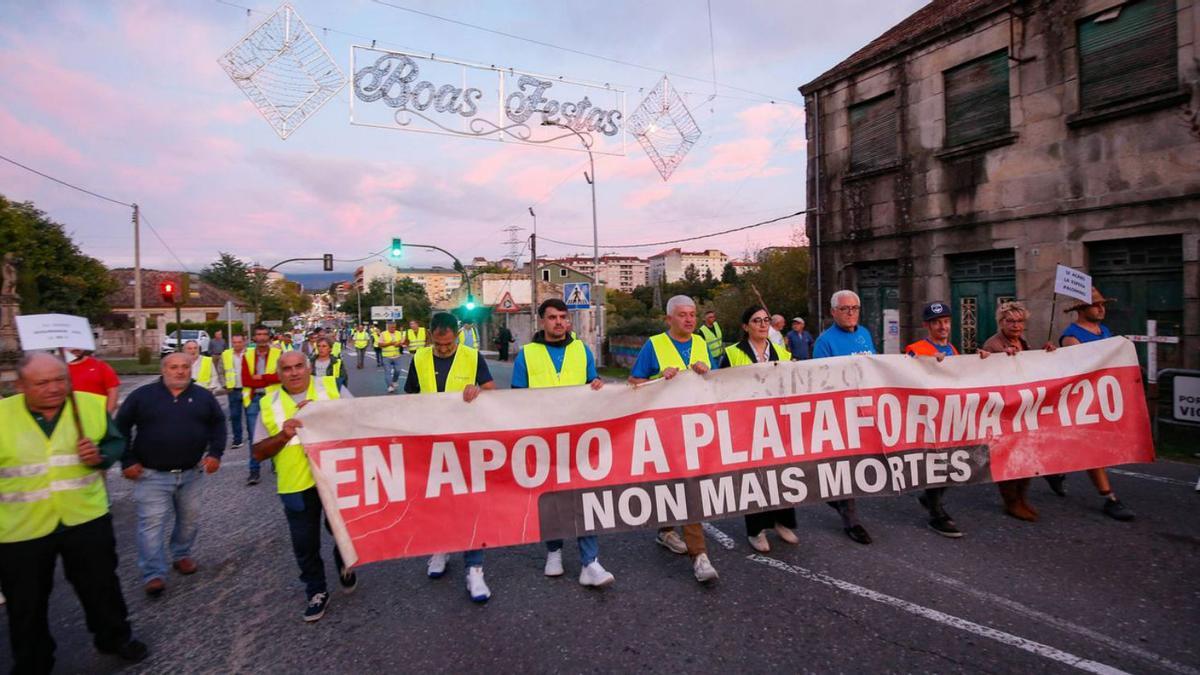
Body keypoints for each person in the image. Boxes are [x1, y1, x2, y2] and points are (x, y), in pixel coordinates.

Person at [0, 353, 148, 670]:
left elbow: (115, 442)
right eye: (42, 383)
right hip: (21, 528)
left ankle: (115, 637)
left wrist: (99, 455)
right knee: (25, 602)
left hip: (86, 517)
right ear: (20, 385)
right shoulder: (2, 415)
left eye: (60, 380)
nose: (54, 388)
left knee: (101, 586)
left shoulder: (89, 406)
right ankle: (33, 661)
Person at [511, 299, 614, 587]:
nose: (559, 322)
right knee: (552, 498)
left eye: (563, 317)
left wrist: (597, 385)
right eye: (552, 317)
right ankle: (554, 551)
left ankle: (590, 562)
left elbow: (593, 382)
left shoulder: (582, 349)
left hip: (578, 435)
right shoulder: (527, 354)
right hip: (543, 438)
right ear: (541, 321)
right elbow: (517, 397)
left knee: (585, 497)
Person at [252, 352, 357, 622]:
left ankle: (344, 561)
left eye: (299, 366)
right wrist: (283, 435)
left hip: (337, 478)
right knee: (305, 544)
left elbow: (359, 421)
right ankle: (316, 591)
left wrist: (326, 414)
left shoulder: (332, 387)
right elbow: (259, 452)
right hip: (295, 484)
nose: (294, 372)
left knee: (343, 530)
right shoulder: (268, 402)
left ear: (309, 368)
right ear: (279, 373)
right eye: (287, 369)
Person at [404, 312, 497, 602]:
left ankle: (475, 569)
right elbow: (408, 397)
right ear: (430, 336)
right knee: (436, 501)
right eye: (439, 343)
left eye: (449, 343)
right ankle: (439, 549)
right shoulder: (419, 359)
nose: (444, 349)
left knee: (470, 503)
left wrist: (478, 389)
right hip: (431, 442)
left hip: (466, 442)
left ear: (456, 335)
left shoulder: (472, 356)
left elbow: (492, 391)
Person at [116, 353, 225, 596]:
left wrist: (215, 453)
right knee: (151, 524)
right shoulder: (142, 396)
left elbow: (218, 424)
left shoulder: (202, 396)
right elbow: (121, 427)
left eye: (185, 367)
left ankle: (181, 554)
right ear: (163, 369)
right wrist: (127, 459)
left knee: (189, 520)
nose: (180, 371)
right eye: (174, 367)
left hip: (191, 474)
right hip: (151, 475)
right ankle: (154, 573)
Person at [628, 295, 719, 583]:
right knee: (672, 483)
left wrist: (708, 373)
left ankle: (698, 553)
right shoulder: (654, 345)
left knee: (689, 484)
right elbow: (634, 383)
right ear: (669, 319)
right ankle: (673, 535)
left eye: (693, 314)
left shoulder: (702, 344)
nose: (690, 319)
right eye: (682, 315)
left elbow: (717, 381)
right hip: (664, 427)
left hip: (695, 428)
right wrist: (658, 378)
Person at [1049, 287, 1134, 521]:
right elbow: (1085, 368)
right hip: (1082, 400)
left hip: (1103, 397)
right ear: (1081, 309)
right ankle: (1109, 497)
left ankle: (1054, 470)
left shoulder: (1104, 330)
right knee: (1092, 447)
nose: (1101, 308)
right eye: (1096, 305)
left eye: (1102, 305)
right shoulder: (1071, 336)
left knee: (1071, 442)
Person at [720, 306, 800, 552]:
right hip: (746, 423)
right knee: (754, 476)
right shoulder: (732, 353)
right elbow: (719, 385)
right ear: (746, 327)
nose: (763, 325)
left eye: (766, 320)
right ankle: (756, 529)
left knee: (781, 472)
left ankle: (781, 521)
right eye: (757, 321)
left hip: (777, 421)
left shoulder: (782, 353)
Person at [979, 301, 1057, 522]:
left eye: (1019, 321)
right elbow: (984, 374)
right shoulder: (993, 344)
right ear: (1001, 322)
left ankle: (1022, 498)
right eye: (1010, 321)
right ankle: (1011, 502)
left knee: (1026, 456)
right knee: (1008, 457)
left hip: (1023, 409)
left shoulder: (1023, 342)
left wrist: (1045, 353)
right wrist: (999, 359)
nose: (1015, 325)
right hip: (1003, 411)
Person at [812, 290, 875, 545]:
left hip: (864, 409)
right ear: (833, 312)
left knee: (860, 463)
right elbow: (819, 381)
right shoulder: (824, 342)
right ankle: (852, 521)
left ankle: (833, 496)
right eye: (845, 309)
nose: (851, 313)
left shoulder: (865, 334)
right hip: (840, 413)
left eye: (855, 308)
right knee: (847, 466)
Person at [904, 301, 964, 537]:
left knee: (954, 462)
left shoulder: (953, 350)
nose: (942, 326)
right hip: (928, 416)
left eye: (946, 321)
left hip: (949, 415)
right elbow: (907, 372)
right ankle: (936, 513)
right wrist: (928, 363)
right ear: (926, 325)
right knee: (936, 464)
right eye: (937, 322)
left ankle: (930, 498)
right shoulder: (916, 348)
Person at [241, 325, 282, 486]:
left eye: (265, 334)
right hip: (254, 399)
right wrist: (269, 378)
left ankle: (276, 463)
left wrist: (261, 377)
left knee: (275, 433)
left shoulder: (278, 354)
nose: (262, 337)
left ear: (269, 336)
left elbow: (281, 376)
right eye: (259, 334)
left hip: (273, 399)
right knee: (254, 437)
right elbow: (246, 380)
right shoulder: (248, 355)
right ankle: (254, 470)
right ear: (254, 337)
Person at [221, 333, 251, 449]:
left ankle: (252, 436)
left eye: (239, 342)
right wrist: (225, 385)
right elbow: (221, 370)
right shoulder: (226, 354)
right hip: (233, 389)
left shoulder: (250, 353)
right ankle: (237, 440)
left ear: (244, 342)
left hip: (248, 389)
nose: (237, 345)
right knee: (235, 416)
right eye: (234, 342)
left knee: (250, 415)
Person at [67, 349, 121, 413]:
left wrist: (107, 416)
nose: (75, 348)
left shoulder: (100, 366)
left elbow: (113, 392)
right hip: (66, 419)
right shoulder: (58, 369)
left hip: (97, 417)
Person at [378, 321, 404, 393]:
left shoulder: (398, 333)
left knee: (398, 370)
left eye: (394, 327)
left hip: (397, 356)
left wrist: (399, 344)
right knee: (388, 372)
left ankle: (394, 381)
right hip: (386, 356)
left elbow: (401, 343)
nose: (393, 329)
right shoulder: (383, 334)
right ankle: (390, 386)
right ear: (388, 327)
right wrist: (390, 343)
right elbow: (380, 344)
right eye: (392, 327)